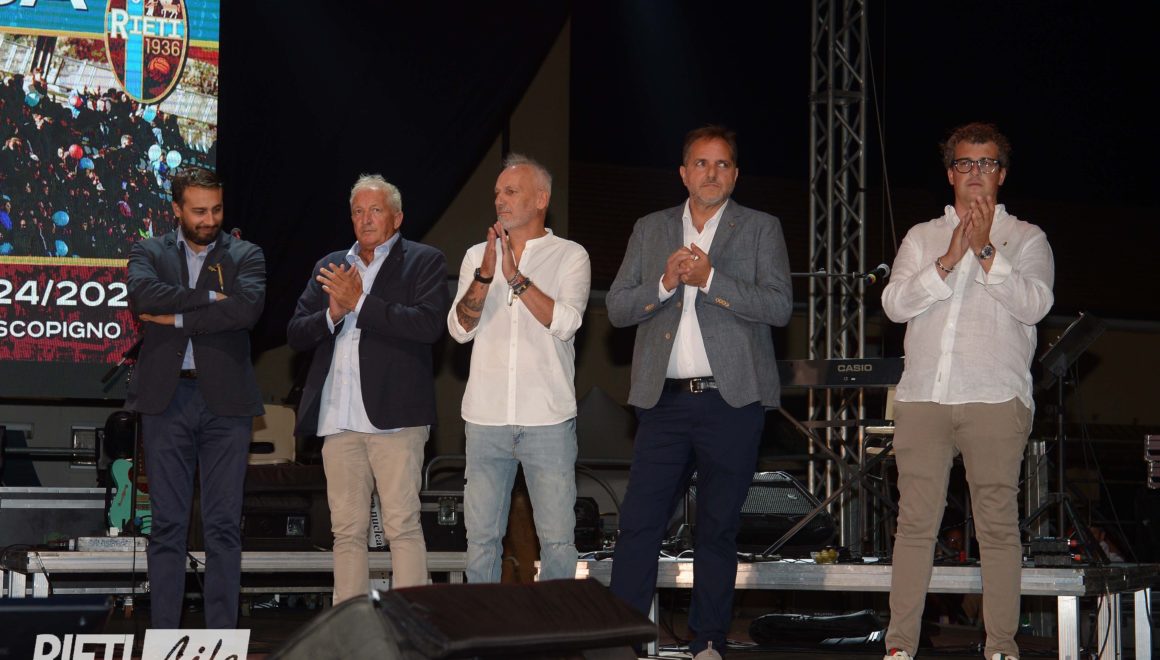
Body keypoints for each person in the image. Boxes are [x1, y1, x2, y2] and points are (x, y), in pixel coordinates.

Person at [606, 125, 793, 659]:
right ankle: (622, 643)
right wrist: (664, 284)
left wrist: (711, 280)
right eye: (702, 163)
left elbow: (779, 306)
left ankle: (707, 641)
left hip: (731, 402)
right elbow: (617, 308)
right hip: (662, 403)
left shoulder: (760, 228)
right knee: (638, 525)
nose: (712, 173)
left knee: (717, 528)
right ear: (684, 173)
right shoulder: (650, 228)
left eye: (722, 164)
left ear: (735, 174)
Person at [881, 122, 1055, 660]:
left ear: (1002, 174)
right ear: (950, 173)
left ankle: (1000, 646)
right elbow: (893, 305)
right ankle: (899, 647)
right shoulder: (922, 237)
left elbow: (1035, 305)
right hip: (923, 398)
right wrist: (950, 258)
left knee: (997, 525)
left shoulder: (1027, 238)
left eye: (986, 163)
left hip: (994, 397)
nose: (975, 172)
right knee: (914, 525)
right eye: (964, 163)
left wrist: (985, 252)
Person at [288, 174, 448, 602]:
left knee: (402, 526)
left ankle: (411, 624)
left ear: (397, 218)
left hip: (396, 418)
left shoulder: (424, 261)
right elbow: (296, 333)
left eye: (375, 210)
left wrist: (359, 302)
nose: (366, 219)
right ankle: (350, 625)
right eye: (358, 211)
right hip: (338, 419)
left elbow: (428, 325)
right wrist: (333, 314)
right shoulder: (331, 265)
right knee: (346, 532)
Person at [125, 167, 266, 629]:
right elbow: (143, 296)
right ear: (177, 209)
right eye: (199, 211)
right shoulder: (148, 250)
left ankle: (221, 641)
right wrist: (210, 298)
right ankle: (165, 638)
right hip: (166, 401)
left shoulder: (246, 253)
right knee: (167, 525)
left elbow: (246, 310)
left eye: (217, 210)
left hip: (227, 404)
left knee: (224, 525)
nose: (209, 220)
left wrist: (177, 318)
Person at [447, 154, 591, 584]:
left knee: (558, 543)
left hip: (547, 419)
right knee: (481, 541)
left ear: (541, 199)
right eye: (497, 193)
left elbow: (566, 322)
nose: (500, 200)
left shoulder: (570, 255)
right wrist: (485, 276)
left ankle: (555, 626)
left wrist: (515, 278)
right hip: (485, 419)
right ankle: (485, 625)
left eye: (511, 192)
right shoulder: (477, 255)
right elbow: (459, 329)